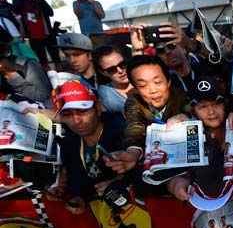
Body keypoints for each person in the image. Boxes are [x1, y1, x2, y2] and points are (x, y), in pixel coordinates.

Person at [165, 76, 233, 201]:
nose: (211, 112)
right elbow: (174, 176)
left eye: (216, 104)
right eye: (203, 106)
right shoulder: (185, 135)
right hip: (202, 205)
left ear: (225, 105)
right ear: (193, 110)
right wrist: (175, 184)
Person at [48, 80, 125, 214]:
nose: (76, 120)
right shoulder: (69, 145)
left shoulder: (125, 134)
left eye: (83, 111)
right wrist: (78, 197)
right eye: (67, 114)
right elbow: (77, 182)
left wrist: (121, 183)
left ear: (98, 108)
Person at [105, 54, 190, 176]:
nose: (153, 90)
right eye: (143, 86)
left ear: (168, 81)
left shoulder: (181, 97)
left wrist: (187, 116)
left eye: (158, 82)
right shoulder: (134, 103)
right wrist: (133, 153)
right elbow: (134, 128)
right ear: (135, 88)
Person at [12, 0, 61, 72]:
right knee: (43, 62)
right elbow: (15, 9)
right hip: (34, 37)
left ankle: (61, 75)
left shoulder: (39, 0)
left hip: (47, 34)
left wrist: (36, 0)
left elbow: (51, 13)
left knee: (57, 60)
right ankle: (49, 78)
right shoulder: (19, 1)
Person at [93, 45, 135, 114]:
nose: (120, 71)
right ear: (103, 73)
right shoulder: (106, 95)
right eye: (112, 69)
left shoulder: (142, 77)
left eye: (122, 64)